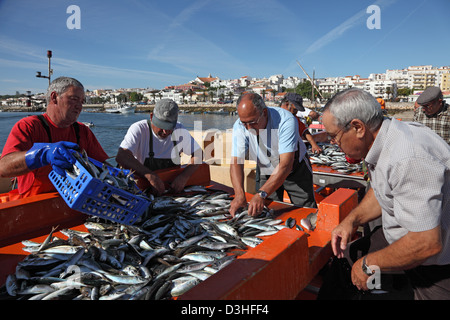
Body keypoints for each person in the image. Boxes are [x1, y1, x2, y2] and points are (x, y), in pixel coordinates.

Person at [320, 88, 450, 300]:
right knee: (344, 264)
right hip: (399, 237)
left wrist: (368, 264)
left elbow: (426, 242)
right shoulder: (386, 138)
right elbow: (383, 191)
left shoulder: (407, 158)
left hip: (435, 262)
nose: (333, 143)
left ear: (358, 127)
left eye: (334, 137)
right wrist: (351, 220)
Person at [0, 77, 109, 199]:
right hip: (34, 205)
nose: (79, 106)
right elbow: (3, 167)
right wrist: (42, 155)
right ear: (54, 97)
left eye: (82, 102)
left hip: (77, 205)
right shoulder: (28, 126)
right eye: (74, 99)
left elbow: (104, 166)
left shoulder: (83, 131)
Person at [229, 93, 316, 217]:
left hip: (295, 169)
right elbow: (236, 161)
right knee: (269, 210)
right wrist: (239, 195)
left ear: (264, 112)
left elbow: (285, 165)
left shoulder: (286, 120)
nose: (248, 128)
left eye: (253, 122)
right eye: (244, 123)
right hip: (266, 167)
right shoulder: (240, 125)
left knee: (306, 211)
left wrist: (262, 194)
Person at [116, 99, 202, 196]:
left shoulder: (179, 129)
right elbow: (122, 156)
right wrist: (150, 176)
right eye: (162, 126)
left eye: (170, 127)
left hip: (171, 192)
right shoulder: (139, 129)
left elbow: (198, 154)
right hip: (143, 190)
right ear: (152, 117)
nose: (166, 132)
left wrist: (184, 176)